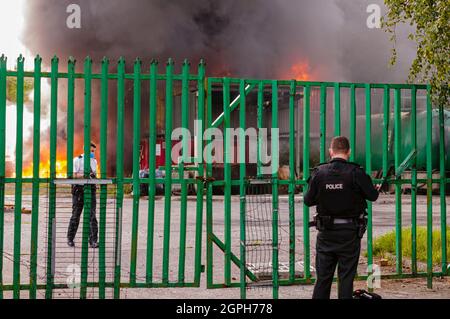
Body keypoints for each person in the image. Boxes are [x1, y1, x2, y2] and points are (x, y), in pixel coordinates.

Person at [304, 136, 379, 299]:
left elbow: (307, 200)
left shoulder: (319, 173)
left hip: (326, 233)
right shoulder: (356, 173)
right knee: (346, 279)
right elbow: (373, 196)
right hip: (350, 233)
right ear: (349, 152)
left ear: (331, 151)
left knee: (323, 279)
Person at [67, 142, 99, 249]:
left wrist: (95, 182)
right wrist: (85, 175)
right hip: (79, 190)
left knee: (92, 215)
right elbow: (73, 174)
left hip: (91, 189)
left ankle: (93, 241)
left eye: (93, 151)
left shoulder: (94, 161)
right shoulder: (77, 160)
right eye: (91, 151)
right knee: (76, 215)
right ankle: (70, 239)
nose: (92, 153)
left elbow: (95, 174)